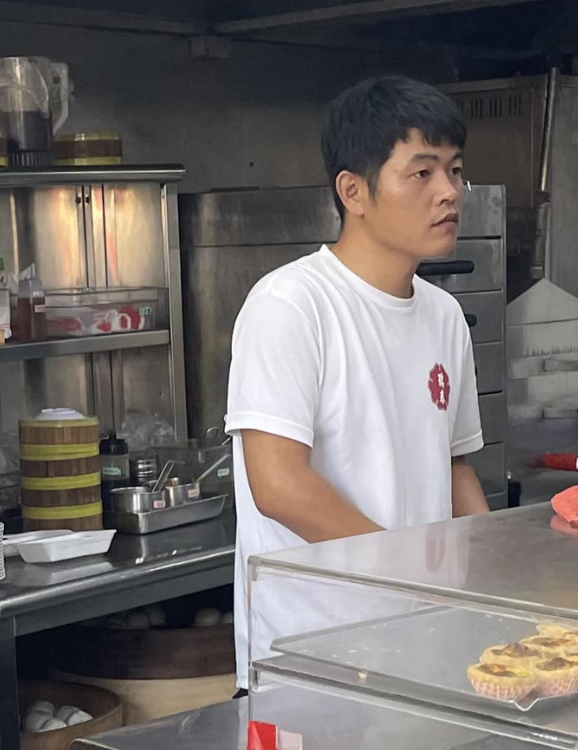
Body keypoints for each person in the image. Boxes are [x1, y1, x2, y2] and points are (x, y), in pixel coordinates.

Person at [226, 75, 486, 696]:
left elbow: (451, 469)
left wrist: (494, 580)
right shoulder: (292, 303)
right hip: (310, 665)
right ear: (354, 191)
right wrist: (409, 571)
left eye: (454, 170)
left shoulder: (443, 315)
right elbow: (279, 486)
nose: (448, 192)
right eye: (421, 173)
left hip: (424, 652)